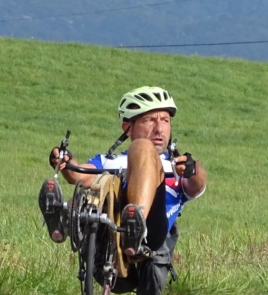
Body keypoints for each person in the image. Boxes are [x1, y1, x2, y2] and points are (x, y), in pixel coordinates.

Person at [41, 86, 207, 264]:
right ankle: (65, 217)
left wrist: (192, 168)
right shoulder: (108, 161)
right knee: (96, 188)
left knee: (142, 147)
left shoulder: (176, 167)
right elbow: (78, 176)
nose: (160, 129)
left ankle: (135, 224)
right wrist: (66, 160)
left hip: (151, 235)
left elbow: (198, 184)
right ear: (128, 128)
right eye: (150, 120)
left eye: (165, 120)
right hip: (106, 233)